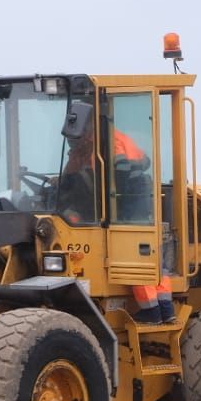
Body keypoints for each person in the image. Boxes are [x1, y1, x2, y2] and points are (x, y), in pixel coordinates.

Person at [63, 126, 175, 323]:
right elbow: (70, 177)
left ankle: (152, 311)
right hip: (132, 197)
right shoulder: (97, 143)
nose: (73, 139)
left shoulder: (109, 141)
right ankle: (166, 309)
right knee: (153, 259)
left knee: (133, 255)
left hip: (130, 197)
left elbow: (120, 172)